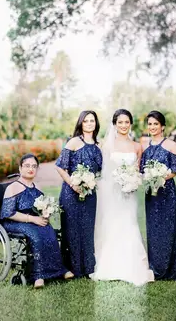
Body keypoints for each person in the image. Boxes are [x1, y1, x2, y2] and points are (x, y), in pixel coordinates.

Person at [90, 109, 154, 285]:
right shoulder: (107, 145)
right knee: (113, 225)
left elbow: (139, 170)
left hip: (130, 193)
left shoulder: (137, 147)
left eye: (127, 122)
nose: (124, 125)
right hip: (112, 193)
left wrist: (133, 181)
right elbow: (103, 171)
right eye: (120, 122)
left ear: (130, 124)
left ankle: (133, 266)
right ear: (115, 124)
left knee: (130, 223)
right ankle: (111, 266)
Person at [0, 153, 74, 288]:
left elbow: (41, 208)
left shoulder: (38, 188)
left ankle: (59, 270)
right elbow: (8, 213)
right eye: (27, 166)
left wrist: (45, 214)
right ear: (20, 168)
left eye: (34, 166)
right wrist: (32, 219)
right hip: (15, 221)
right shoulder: (13, 187)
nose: (30, 169)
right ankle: (38, 276)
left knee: (50, 232)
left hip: (34, 220)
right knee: (36, 235)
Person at [140, 110, 176, 281]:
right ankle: (155, 268)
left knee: (168, 230)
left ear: (162, 126)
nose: (152, 127)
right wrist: (148, 177)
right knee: (153, 231)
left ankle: (170, 270)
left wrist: (160, 177)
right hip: (151, 196)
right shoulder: (146, 146)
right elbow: (141, 170)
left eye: (156, 124)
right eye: (150, 124)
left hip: (167, 194)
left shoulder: (171, 145)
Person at [55, 110, 103, 277]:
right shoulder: (74, 142)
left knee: (87, 230)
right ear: (81, 123)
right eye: (86, 121)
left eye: (92, 121)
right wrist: (73, 184)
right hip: (70, 194)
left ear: (96, 124)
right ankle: (70, 268)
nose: (89, 123)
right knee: (72, 230)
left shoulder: (98, 145)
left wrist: (91, 182)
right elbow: (60, 166)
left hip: (89, 195)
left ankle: (87, 267)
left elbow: (100, 172)